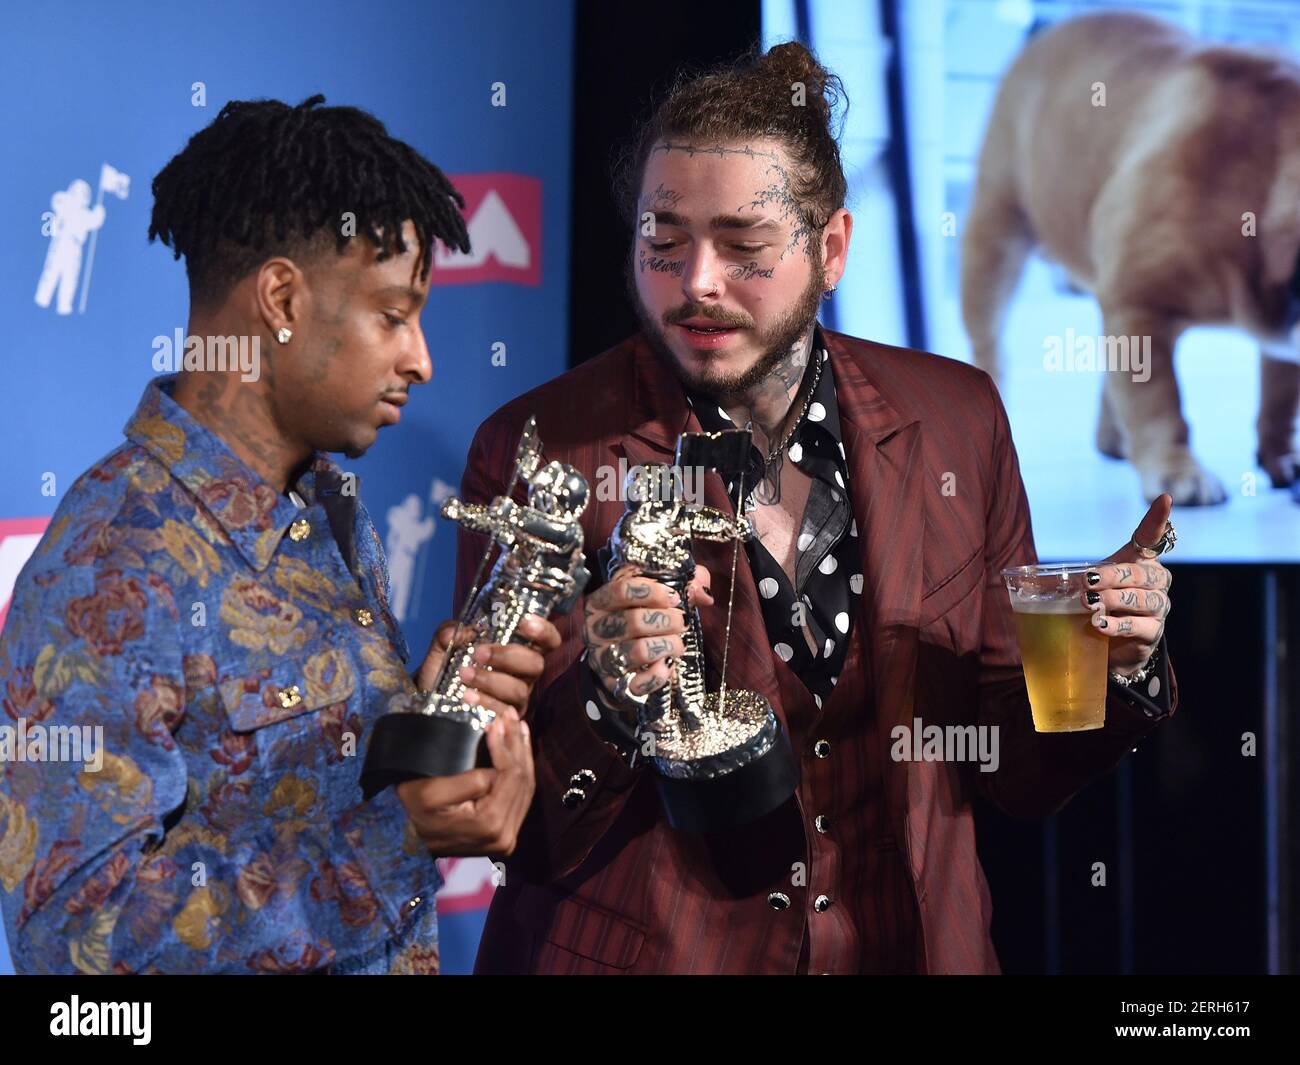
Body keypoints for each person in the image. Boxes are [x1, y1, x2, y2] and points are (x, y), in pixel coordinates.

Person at [455, 44, 1178, 974]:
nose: (697, 283)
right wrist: (607, 693)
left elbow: (1013, 769)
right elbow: (504, 816)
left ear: (830, 248)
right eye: (663, 244)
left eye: (745, 247)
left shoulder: (954, 418)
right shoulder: (542, 448)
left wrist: (1113, 661)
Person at [0, 95, 558, 974]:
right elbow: (77, 947)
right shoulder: (114, 559)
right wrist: (396, 838)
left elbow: (293, 794)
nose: (421, 358)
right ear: (281, 298)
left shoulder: (326, 510)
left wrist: (422, 716)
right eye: (391, 313)